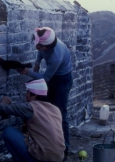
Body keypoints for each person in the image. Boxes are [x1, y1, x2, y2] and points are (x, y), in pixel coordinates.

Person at [18, 27, 73, 160]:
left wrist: (28, 72)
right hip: (52, 76)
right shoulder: (47, 41)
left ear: (46, 46)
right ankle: (47, 143)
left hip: (62, 80)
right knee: (46, 110)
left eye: (38, 45)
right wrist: (37, 62)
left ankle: (64, 148)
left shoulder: (56, 55)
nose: (36, 45)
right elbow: (40, 53)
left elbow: (45, 78)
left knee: (60, 113)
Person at [0, 79, 65, 162]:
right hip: (58, 158)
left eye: (27, 92)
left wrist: (4, 101)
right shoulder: (55, 109)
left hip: (42, 158)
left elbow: (1, 109)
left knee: (8, 132)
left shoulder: (31, 107)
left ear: (34, 95)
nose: (26, 95)